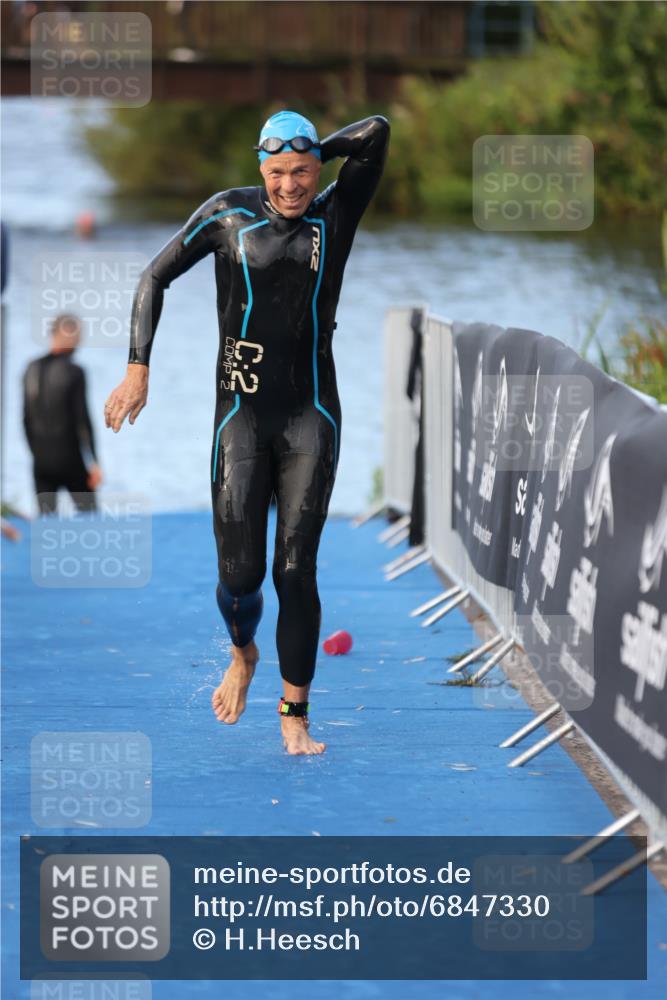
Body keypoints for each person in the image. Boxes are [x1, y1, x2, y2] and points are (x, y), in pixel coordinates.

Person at [104, 110, 390, 754]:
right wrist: (137, 369)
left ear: (319, 168)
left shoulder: (334, 216)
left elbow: (375, 133)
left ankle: (295, 712)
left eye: (304, 171)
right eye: (279, 172)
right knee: (241, 574)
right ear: (260, 170)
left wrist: (322, 146)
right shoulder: (226, 215)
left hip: (311, 414)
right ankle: (243, 653)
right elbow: (155, 275)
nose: (292, 185)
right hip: (240, 417)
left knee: (296, 568)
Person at [23, 314, 102, 514]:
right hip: (70, 459)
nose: (78, 342)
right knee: (90, 519)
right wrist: (94, 462)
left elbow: (25, 420)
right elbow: (82, 419)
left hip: (41, 462)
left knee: (47, 524)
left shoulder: (31, 369)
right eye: (76, 336)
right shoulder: (75, 372)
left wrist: (36, 453)